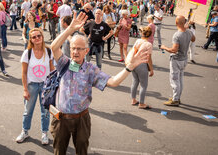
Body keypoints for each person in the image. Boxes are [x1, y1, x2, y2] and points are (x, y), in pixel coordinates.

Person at [50, 11, 148, 155]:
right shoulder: (64, 63)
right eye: (73, 48)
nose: (75, 52)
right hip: (61, 118)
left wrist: (129, 68)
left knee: (82, 151)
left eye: (79, 49)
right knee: (59, 151)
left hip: (81, 118)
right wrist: (70, 29)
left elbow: (113, 82)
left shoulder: (91, 70)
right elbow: (53, 47)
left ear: (86, 51)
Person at [16, 28, 55, 145]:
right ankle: (25, 131)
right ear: (31, 40)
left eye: (39, 36)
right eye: (34, 37)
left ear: (42, 37)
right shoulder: (27, 53)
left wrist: (54, 86)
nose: (37, 38)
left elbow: (52, 69)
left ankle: (44, 133)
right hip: (32, 85)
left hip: (46, 86)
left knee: (45, 112)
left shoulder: (48, 51)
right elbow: (23, 73)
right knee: (28, 111)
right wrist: (25, 89)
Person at [160, 15, 195, 106]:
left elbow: (174, 50)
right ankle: (177, 97)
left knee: (175, 80)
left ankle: (175, 99)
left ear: (176, 23)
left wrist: (164, 47)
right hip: (184, 59)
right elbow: (193, 39)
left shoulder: (177, 35)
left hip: (176, 60)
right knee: (180, 79)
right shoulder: (189, 32)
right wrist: (188, 29)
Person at [130, 26, 154, 109]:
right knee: (143, 85)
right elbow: (149, 58)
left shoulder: (138, 41)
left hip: (134, 64)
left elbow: (134, 51)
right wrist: (151, 69)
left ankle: (133, 99)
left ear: (142, 33)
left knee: (135, 82)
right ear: (150, 35)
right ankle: (141, 103)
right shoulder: (149, 44)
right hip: (142, 65)